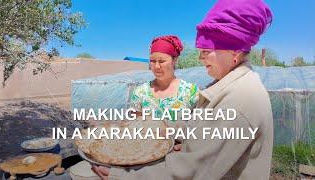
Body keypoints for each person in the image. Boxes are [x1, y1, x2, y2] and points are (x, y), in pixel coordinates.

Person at [92, 0, 274, 179]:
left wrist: (120, 176)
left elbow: (192, 170)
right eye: (152, 61)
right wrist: (169, 133)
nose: (201, 59)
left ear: (234, 50)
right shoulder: (227, 88)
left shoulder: (239, 99)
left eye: (205, 51)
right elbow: (198, 130)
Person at [129, 35, 199, 119]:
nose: (157, 66)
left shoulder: (191, 92)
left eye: (162, 61)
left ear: (175, 60)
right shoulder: (140, 93)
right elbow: (135, 127)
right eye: (152, 61)